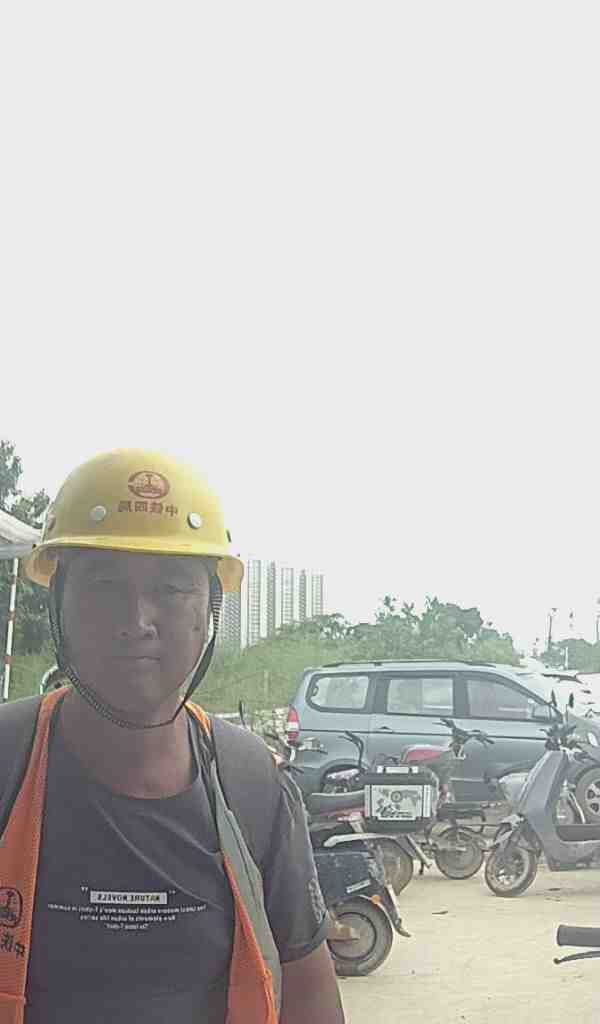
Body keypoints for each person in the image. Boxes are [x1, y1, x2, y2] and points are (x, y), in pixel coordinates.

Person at [0, 449, 345, 1024]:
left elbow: (308, 989)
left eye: (172, 588)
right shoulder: (7, 761)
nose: (137, 621)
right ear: (59, 601)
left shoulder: (249, 784)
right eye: (104, 585)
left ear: (210, 608)